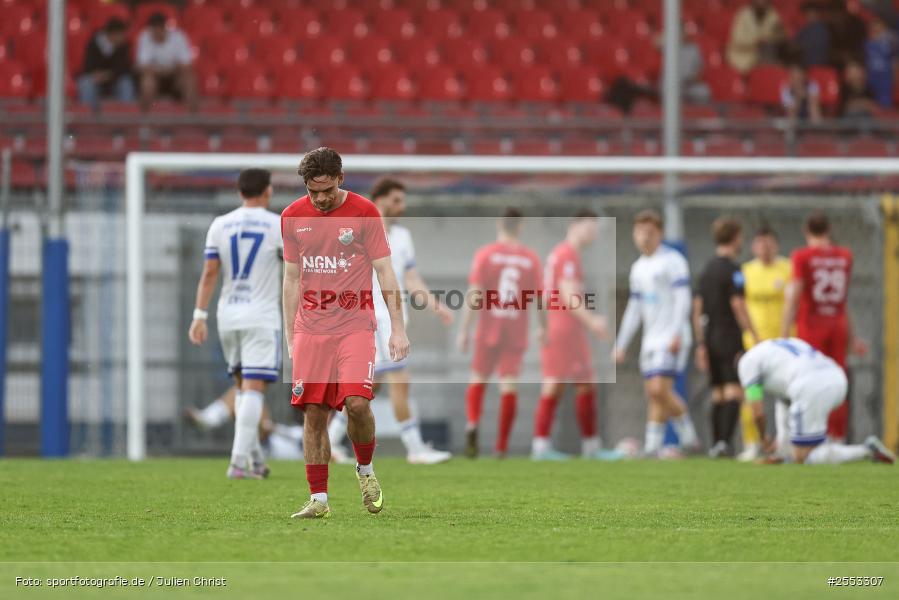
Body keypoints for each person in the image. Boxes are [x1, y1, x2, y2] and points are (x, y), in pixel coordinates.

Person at [282, 147, 409, 520]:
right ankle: (318, 499)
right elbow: (291, 279)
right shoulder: (291, 216)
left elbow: (386, 274)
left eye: (326, 190)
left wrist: (397, 329)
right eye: (312, 191)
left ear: (341, 178)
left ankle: (365, 470)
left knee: (357, 404)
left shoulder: (365, 212)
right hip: (310, 329)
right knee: (314, 413)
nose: (319, 199)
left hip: (355, 326)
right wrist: (290, 334)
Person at [327, 177, 453, 465]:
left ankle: (329, 441)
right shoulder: (358, 232)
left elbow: (411, 278)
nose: (402, 206)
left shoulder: (402, 236)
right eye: (396, 200)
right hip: (374, 320)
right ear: (380, 199)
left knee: (368, 388)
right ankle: (416, 449)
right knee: (400, 381)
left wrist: (436, 306)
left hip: (394, 319)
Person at [188, 168, 283, 479]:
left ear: (240, 192)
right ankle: (237, 462)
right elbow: (297, 269)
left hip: (228, 315)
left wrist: (199, 316)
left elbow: (210, 273)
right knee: (254, 389)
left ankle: (255, 461)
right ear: (267, 191)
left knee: (243, 389)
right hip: (262, 315)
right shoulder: (277, 225)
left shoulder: (221, 224)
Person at [457, 208, 543, 459]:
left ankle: (473, 421)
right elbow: (540, 299)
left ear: (499, 224)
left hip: (488, 327)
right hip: (515, 329)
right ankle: (501, 446)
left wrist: (464, 330)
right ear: (520, 226)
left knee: (477, 379)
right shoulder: (531, 259)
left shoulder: (486, 255)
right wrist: (543, 327)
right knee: (508, 386)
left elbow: (474, 294)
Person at [532, 210, 617, 461]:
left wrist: (543, 326)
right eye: (589, 229)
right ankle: (578, 447)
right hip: (565, 329)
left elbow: (544, 296)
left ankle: (553, 446)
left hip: (559, 327)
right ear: (575, 225)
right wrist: (593, 321)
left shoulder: (559, 254)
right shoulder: (567, 255)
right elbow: (568, 296)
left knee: (569, 384)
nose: (592, 235)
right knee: (563, 384)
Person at [613, 210, 699, 458]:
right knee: (653, 392)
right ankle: (653, 445)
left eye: (649, 233)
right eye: (639, 232)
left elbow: (684, 299)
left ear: (659, 234)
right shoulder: (638, 268)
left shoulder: (673, 261)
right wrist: (621, 344)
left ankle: (688, 436)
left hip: (672, 336)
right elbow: (634, 309)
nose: (644, 237)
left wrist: (676, 332)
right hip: (651, 339)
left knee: (660, 388)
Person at [738, 337, 893, 465]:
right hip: (837, 378)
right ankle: (788, 453)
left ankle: (866, 450)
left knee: (803, 456)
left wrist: (764, 438)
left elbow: (757, 413)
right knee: (800, 446)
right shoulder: (777, 347)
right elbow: (784, 402)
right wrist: (781, 448)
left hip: (811, 385)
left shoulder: (746, 363)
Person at [782, 211, 867, 443]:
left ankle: (810, 435)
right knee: (837, 380)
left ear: (807, 232)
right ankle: (836, 436)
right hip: (837, 325)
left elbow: (795, 294)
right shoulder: (844, 256)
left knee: (807, 381)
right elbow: (844, 300)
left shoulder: (802, 256)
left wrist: (784, 332)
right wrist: (853, 336)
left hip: (811, 324)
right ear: (828, 230)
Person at [694, 218, 759, 458]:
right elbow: (738, 303)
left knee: (718, 391)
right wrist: (753, 334)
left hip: (710, 335)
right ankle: (725, 443)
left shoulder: (706, 269)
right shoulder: (734, 270)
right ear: (735, 238)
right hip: (729, 335)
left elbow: (697, 308)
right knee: (734, 390)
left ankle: (716, 444)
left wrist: (701, 342)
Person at [738, 225, 792, 462]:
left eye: (769, 242)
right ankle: (753, 443)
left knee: (787, 396)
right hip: (755, 346)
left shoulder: (788, 268)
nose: (765, 247)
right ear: (753, 246)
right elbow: (738, 305)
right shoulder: (745, 271)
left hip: (785, 345)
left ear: (777, 245)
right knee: (752, 396)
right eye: (760, 243)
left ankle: (787, 443)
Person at [136, 12, 197, 111]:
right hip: (155, 77)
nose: (157, 32)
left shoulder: (179, 37)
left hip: (175, 77)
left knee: (189, 78)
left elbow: (187, 65)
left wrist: (171, 70)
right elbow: (143, 66)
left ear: (164, 28)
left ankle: (194, 118)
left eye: (159, 28)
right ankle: (145, 121)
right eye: (154, 29)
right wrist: (161, 71)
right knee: (147, 81)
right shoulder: (144, 36)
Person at [77, 17, 135, 110]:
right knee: (85, 83)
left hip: (115, 80)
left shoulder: (124, 46)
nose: (123, 37)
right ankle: (86, 117)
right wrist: (97, 75)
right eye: (121, 35)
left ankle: (126, 117)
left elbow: (125, 68)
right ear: (113, 34)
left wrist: (109, 75)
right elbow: (87, 66)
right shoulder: (93, 44)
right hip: (97, 79)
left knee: (126, 83)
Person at [727, 0, 786, 74]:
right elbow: (738, 40)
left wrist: (770, 38)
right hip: (743, 56)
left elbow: (780, 35)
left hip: (764, 55)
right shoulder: (743, 14)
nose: (761, 3)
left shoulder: (772, 14)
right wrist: (755, 42)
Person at [864, 12, 898, 108]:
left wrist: (895, 75)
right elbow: (866, 60)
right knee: (872, 103)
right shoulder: (867, 43)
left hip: (885, 75)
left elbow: (894, 59)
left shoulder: (890, 41)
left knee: (885, 103)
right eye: (873, 26)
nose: (876, 28)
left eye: (878, 25)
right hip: (872, 75)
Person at [795, 1, 831, 67]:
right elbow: (795, 42)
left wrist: (799, 46)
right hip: (805, 66)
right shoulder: (805, 29)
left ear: (817, 14)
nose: (808, 16)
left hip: (818, 65)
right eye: (806, 14)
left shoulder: (821, 30)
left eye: (810, 13)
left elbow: (811, 46)